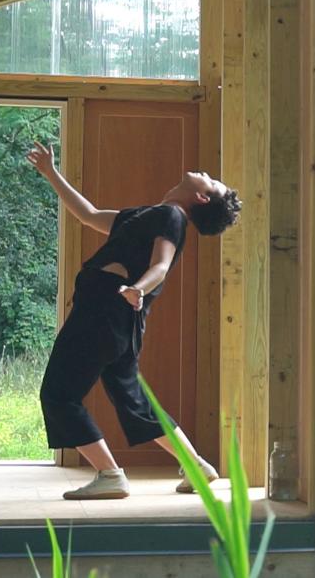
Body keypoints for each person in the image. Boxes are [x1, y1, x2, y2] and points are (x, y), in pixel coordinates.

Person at [27, 142, 241, 500]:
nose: (205, 174)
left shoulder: (172, 217)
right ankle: (196, 466)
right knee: (134, 401)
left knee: (59, 394)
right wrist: (52, 173)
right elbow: (89, 215)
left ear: (202, 198)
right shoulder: (147, 215)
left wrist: (138, 289)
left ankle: (110, 474)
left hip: (106, 311)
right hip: (117, 319)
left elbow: (160, 264)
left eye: (211, 181)